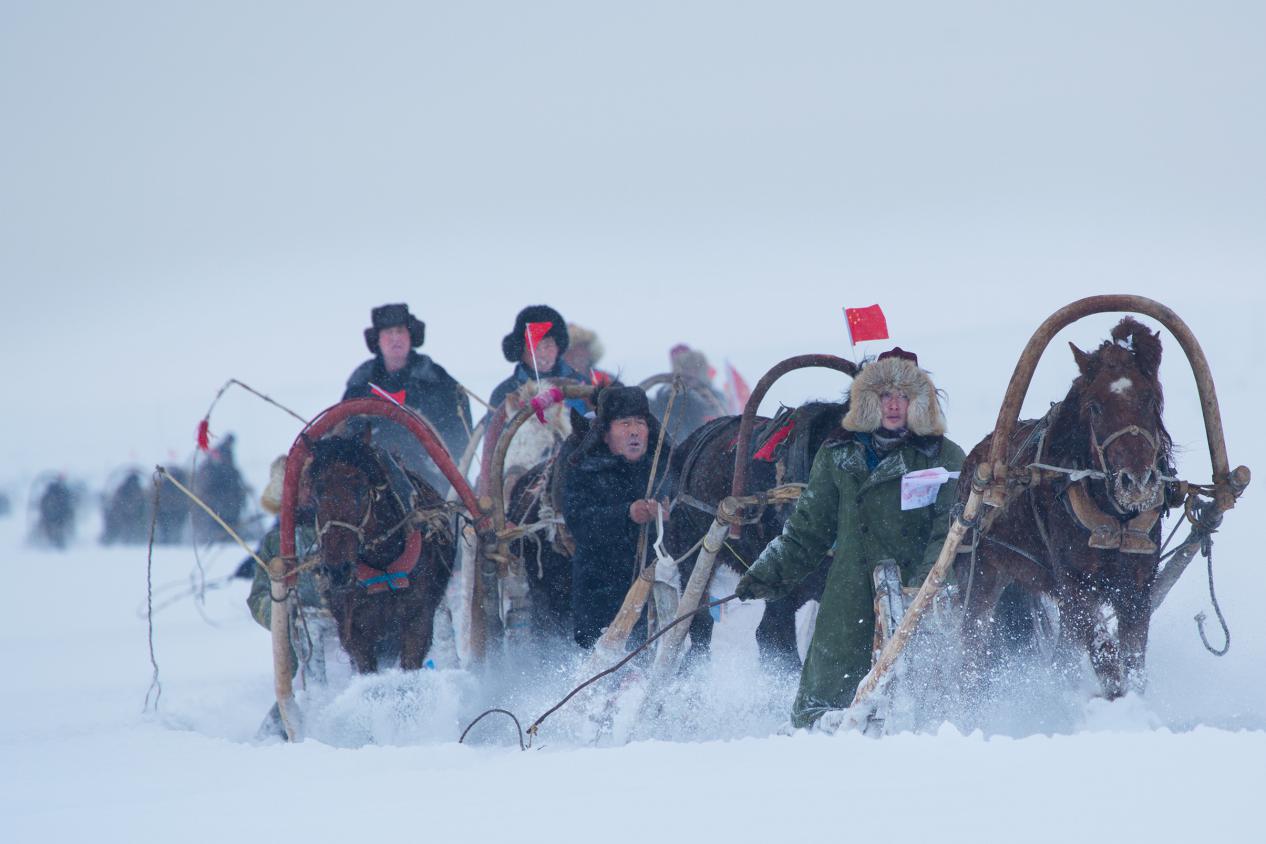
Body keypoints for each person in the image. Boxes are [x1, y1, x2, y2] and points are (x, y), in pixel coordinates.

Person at [734, 348, 966, 729]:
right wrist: (766, 575)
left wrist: (922, 591)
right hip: (847, 598)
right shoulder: (838, 455)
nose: (893, 405)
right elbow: (808, 528)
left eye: (903, 396)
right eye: (883, 396)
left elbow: (948, 535)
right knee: (823, 709)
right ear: (868, 402)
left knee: (919, 712)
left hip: (918, 598)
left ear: (918, 403)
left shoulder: (944, 457)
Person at [562, 386, 671, 648]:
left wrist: (669, 515)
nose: (634, 431)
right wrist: (627, 514)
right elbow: (579, 522)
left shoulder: (665, 468)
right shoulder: (584, 469)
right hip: (600, 591)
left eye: (640, 423)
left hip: (655, 596)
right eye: (624, 423)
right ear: (606, 433)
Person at [343, 303, 473, 487]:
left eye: (400, 330)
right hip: (372, 482)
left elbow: (459, 433)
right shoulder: (360, 386)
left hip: (433, 481)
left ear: (411, 335)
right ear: (377, 339)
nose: (395, 338)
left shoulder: (438, 381)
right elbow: (346, 433)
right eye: (388, 332)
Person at [488, 305, 587, 415]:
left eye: (548, 345)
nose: (542, 354)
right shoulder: (503, 394)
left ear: (558, 346)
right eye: (534, 346)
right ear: (521, 351)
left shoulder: (583, 385)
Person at [649, 344, 727, 443]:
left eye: (694, 369)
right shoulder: (667, 398)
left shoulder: (715, 397)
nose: (690, 373)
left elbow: (722, 418)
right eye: (686, 369)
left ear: (701, 370)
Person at [562, 323, 614, 387]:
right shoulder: (556, 380)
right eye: (573, 349)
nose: (579, 353)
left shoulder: (606, 378)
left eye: (583, 347)